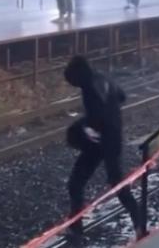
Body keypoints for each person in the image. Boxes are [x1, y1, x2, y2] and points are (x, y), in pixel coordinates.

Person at [63, 56, 144, 238]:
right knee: (117, 184)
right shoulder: (102, 78)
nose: (74, 85)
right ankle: (139, 223)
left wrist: (85, 127)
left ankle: (76, 228)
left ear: (77, 76)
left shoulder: (89, 87)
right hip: (111, 139)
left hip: (100, 140)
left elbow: (97, 116)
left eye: (72, 82)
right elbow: (122, 96)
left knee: (76, 184)